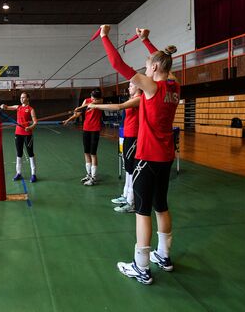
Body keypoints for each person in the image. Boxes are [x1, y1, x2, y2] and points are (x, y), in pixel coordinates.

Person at [100, 26, 179, 285]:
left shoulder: (150, 87)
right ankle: (164, 256)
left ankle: (141, 266)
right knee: (161, 205)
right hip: (166, 156)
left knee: (142, 212)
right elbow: (161, 60)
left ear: (154, 68)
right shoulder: (174, 84)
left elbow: (117, 62)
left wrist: (104, 37)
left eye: (147, 67)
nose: (145, 70)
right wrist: (146, 41)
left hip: (148, 157)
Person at [88, 82, 142, 212]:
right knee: (128, 167)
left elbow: (118, 107)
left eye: (131, 85)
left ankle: (132, 202)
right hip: (127, 135)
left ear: (139, 87)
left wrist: (96, 106)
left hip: (134, 136)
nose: (129, 87)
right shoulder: (132, 99)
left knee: (131, 169)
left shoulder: (139, 99)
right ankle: (126, 196)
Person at [63, 88, 104, 186]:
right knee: (86, 152)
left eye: (93, 97)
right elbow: (78, 113)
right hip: (86, 129)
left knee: (93, 153)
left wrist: (81, 107)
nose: (92, 98)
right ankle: (88, 174)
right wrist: (68, 120)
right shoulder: (87, 100)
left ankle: (93, 177)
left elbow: (94, 103)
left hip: (95, 129)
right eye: (92, 96)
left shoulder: (100, 101)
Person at [0, 92, 38, 182]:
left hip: (27, 134)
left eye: (23, 97)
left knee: (30, 153)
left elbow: (35, 122)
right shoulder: (18, 107)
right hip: (18, 133)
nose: (21, 99)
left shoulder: (31, 109)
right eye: (21, 97)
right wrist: (3, 106)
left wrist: (30, 127)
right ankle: (18, 173)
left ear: (28, 98)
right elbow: (7, 107)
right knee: (19, 153)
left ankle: (33, 174)